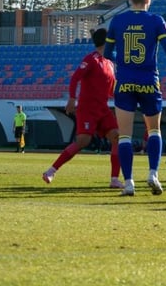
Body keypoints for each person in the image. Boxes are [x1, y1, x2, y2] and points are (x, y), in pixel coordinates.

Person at [104, 0, 166, 196]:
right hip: (149, 81)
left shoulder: (118, 20)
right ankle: (153, 173)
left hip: (124, 82)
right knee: (154, 130)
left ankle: (129, 182)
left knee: (124, 135)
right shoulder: (156, 21)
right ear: (148, 0)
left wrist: (122, 61)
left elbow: (107, 53)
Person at [42, 28, 121, 187]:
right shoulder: (91, 59)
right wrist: (72, 98)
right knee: (83, 141)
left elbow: (111, 90)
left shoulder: (110, 63)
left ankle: (114, 179)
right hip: (88, 108)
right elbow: (76, 77)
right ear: (106, 41)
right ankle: (51, 170)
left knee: (117, 137)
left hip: (103, 109)